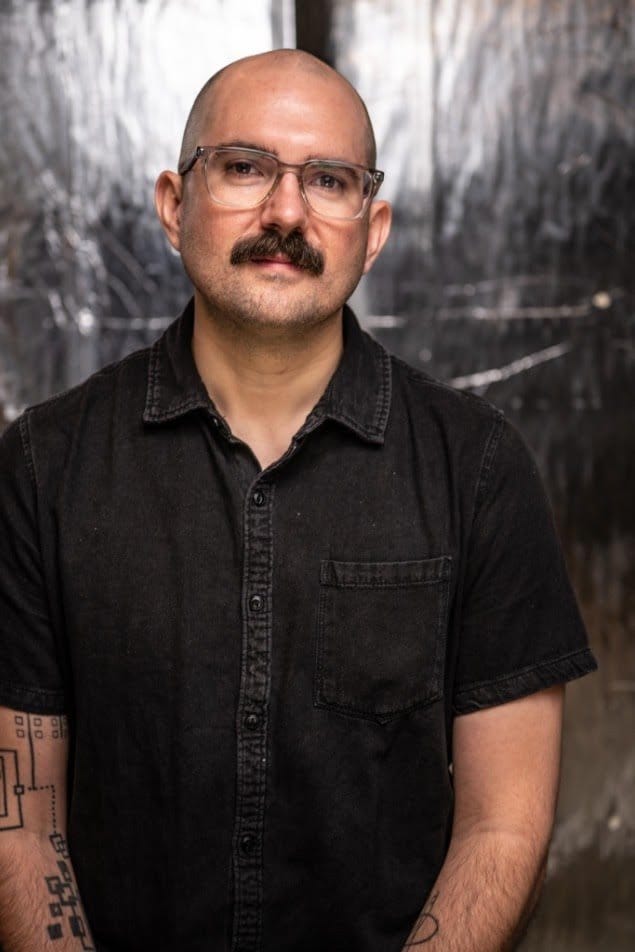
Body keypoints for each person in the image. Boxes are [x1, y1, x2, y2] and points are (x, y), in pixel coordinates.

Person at [0, 49, 596, 952]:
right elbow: (23, 829)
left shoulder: (476, 467)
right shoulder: (44, 466)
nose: (286, 213)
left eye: (327, 179)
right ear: (173, 204)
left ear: (372, 227)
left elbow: (502, 829)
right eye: (245, 167)